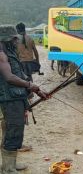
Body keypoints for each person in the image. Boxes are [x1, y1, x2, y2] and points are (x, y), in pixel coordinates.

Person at [0, 25, 47, 173]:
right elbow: (9, 77)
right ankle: (7, 168)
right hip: (9, 99)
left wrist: (36, 90)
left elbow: (19, 74)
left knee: (17, 129)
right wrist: (30, 85)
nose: (16, 42)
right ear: (7, 40)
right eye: (14, 39)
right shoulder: (1, 54)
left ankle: (11, 164)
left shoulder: (11, 52)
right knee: (13, 130)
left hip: (17, 96)